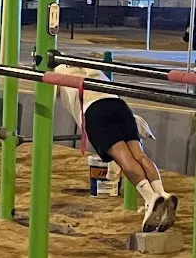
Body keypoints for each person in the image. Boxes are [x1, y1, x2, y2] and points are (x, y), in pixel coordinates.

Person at [52, 65, 176, 233]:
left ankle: (151, 197)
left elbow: (47, 99)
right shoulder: (89, 67)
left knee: (125, 159)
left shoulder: (57, 72)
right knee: (139, 155)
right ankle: (162, 193)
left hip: (95, 111)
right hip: (120, 106)